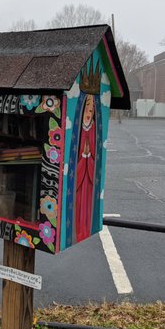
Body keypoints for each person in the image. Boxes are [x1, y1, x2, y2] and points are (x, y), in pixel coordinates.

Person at [75, 94, 95, 242]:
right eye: (87, 105)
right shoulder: (78, 128)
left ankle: (86, 228)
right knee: (78, 203)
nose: (89, 111)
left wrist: (88, 155)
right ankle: (78, 229)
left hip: (89, 172)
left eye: (92, 107)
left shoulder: (93, 128)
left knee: (87, 203)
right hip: (80, 171)